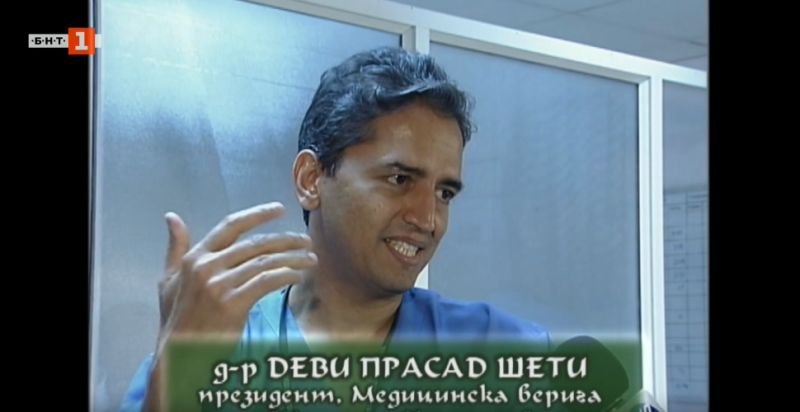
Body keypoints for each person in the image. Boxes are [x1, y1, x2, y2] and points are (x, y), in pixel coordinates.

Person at [120, 46, 549, 412]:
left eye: (445, 193)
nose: (428, 219)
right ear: (311, 179)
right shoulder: (219, 344)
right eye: (399, 179)